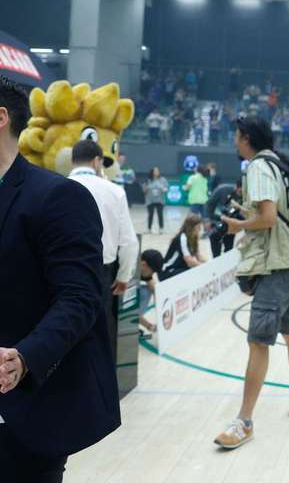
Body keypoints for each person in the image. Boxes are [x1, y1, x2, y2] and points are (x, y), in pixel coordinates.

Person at [0, 75, 119, 482]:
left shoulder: (56, 196)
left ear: (1, 118)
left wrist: (25, 358)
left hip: (24, 413)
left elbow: (81, 297)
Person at [214, 116, 289, 450]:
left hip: (274, 265)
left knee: (258, 341)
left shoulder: (258, 167)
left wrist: (237, 225)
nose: (234, 142)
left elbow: (268, 217)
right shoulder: (278, 164)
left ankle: (243, 421)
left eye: (236, 136)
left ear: (245, 138)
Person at [69, 140, 139, 357]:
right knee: (100, 333)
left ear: (72, 161)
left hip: (64, 270)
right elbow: (128, 242)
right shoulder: (115, 191)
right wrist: (124, 276)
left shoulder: (55, 186)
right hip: (101, 272)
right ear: (97, 161)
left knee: (67, 328)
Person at [161, 214, 206, 280]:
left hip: (180, 268)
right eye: (198, 227)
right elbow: (189, 261)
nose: (200, 229)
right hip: (168, 270)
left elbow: (199, 256)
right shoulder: (182, 237)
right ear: (192, 227)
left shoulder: (194, 237)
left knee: (195, 271)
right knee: (193, 274)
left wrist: (208, 264)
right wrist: (203, 268)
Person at [206, 179, 241, 258]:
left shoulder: (244, 196)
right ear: (236, 187)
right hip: (216, 225)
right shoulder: (222, 190)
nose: (240, 194)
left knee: (228, 253)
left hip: (231, 227)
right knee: (216, 255)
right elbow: (209, 205)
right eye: (239, 191)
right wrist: (207, 220)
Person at [138, 249, 163, 337]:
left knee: (148, 289)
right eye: (153, 271)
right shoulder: (129, 268)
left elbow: (154, 289)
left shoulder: (143, 269)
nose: (152, 273)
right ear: (144, 264)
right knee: (144, 292)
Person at [143, 166, 168, 234]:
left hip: (160, 200)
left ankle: (161, 228)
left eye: (157, 171)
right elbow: (144, 190)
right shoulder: (148, 180)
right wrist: (148, 187)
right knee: (150, 214)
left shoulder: (163, 180)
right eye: (155, 171)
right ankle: (149, 229)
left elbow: (166, 190)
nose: (156, 172)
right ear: (152, 172)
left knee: (160, 214)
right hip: (150, 200)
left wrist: (162, 188)